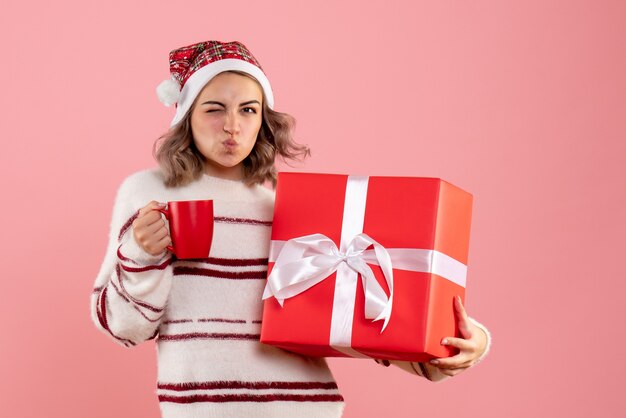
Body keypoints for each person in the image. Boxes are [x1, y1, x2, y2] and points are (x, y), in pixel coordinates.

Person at [90, 40, 491, 418]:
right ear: (185, 115)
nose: (232, 125)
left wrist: (458, 345)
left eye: (248, 110)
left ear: (264, 120)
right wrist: (141, 253)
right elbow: (123, 326)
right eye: (214, 108)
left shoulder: (289, 209)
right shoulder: (148, 195)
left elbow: (348, 316)